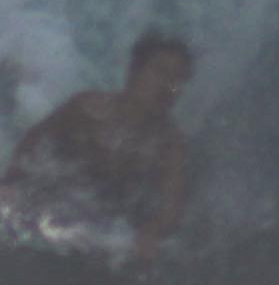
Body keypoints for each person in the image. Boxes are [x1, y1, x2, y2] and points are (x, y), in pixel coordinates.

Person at [0, 33, 194, 263]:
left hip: (106, 216)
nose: (168, 86)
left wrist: (151, 232)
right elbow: (33, 143)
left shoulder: (170, 144)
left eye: (178, 79)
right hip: (58, 192)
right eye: (161, 72)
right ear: (134, 73)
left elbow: (172, 205)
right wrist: (11, 183)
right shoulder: (88, 109)